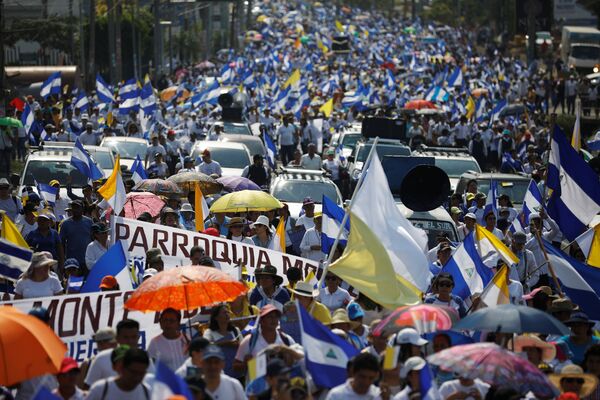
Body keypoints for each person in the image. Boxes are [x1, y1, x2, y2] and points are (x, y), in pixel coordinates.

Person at [233, 305, 296, 374]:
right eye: (269, 317)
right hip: (256, 384)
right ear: (261, 321)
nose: (273, 319)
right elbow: (236, 367)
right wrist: (245, 364)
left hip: (282, 384)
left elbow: (298, 361)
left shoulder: (286, 339)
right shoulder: (249, 341)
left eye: (276, 317)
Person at [84, 319, 143, 388]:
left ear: (138, 337)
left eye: (134, 337)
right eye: (125, 337)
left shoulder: (145, 359)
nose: (130, 341)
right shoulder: (101, 359)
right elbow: (88, 389)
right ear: (117, 338)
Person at [85, 348, 151, 400]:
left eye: (141, 373)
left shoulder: (147, 392)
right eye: (133, 372)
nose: (137, 377)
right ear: (122, 368)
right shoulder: (100, 389)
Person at [59, 199, 93, 270]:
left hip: (87, 260)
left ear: (82, 209)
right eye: (73, 207)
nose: (75, 210)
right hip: (71, 261)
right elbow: (61, 244)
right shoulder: (65, 224)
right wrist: (62, 261)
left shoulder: (89, 222)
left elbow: (94, 239)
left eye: (77, 207)